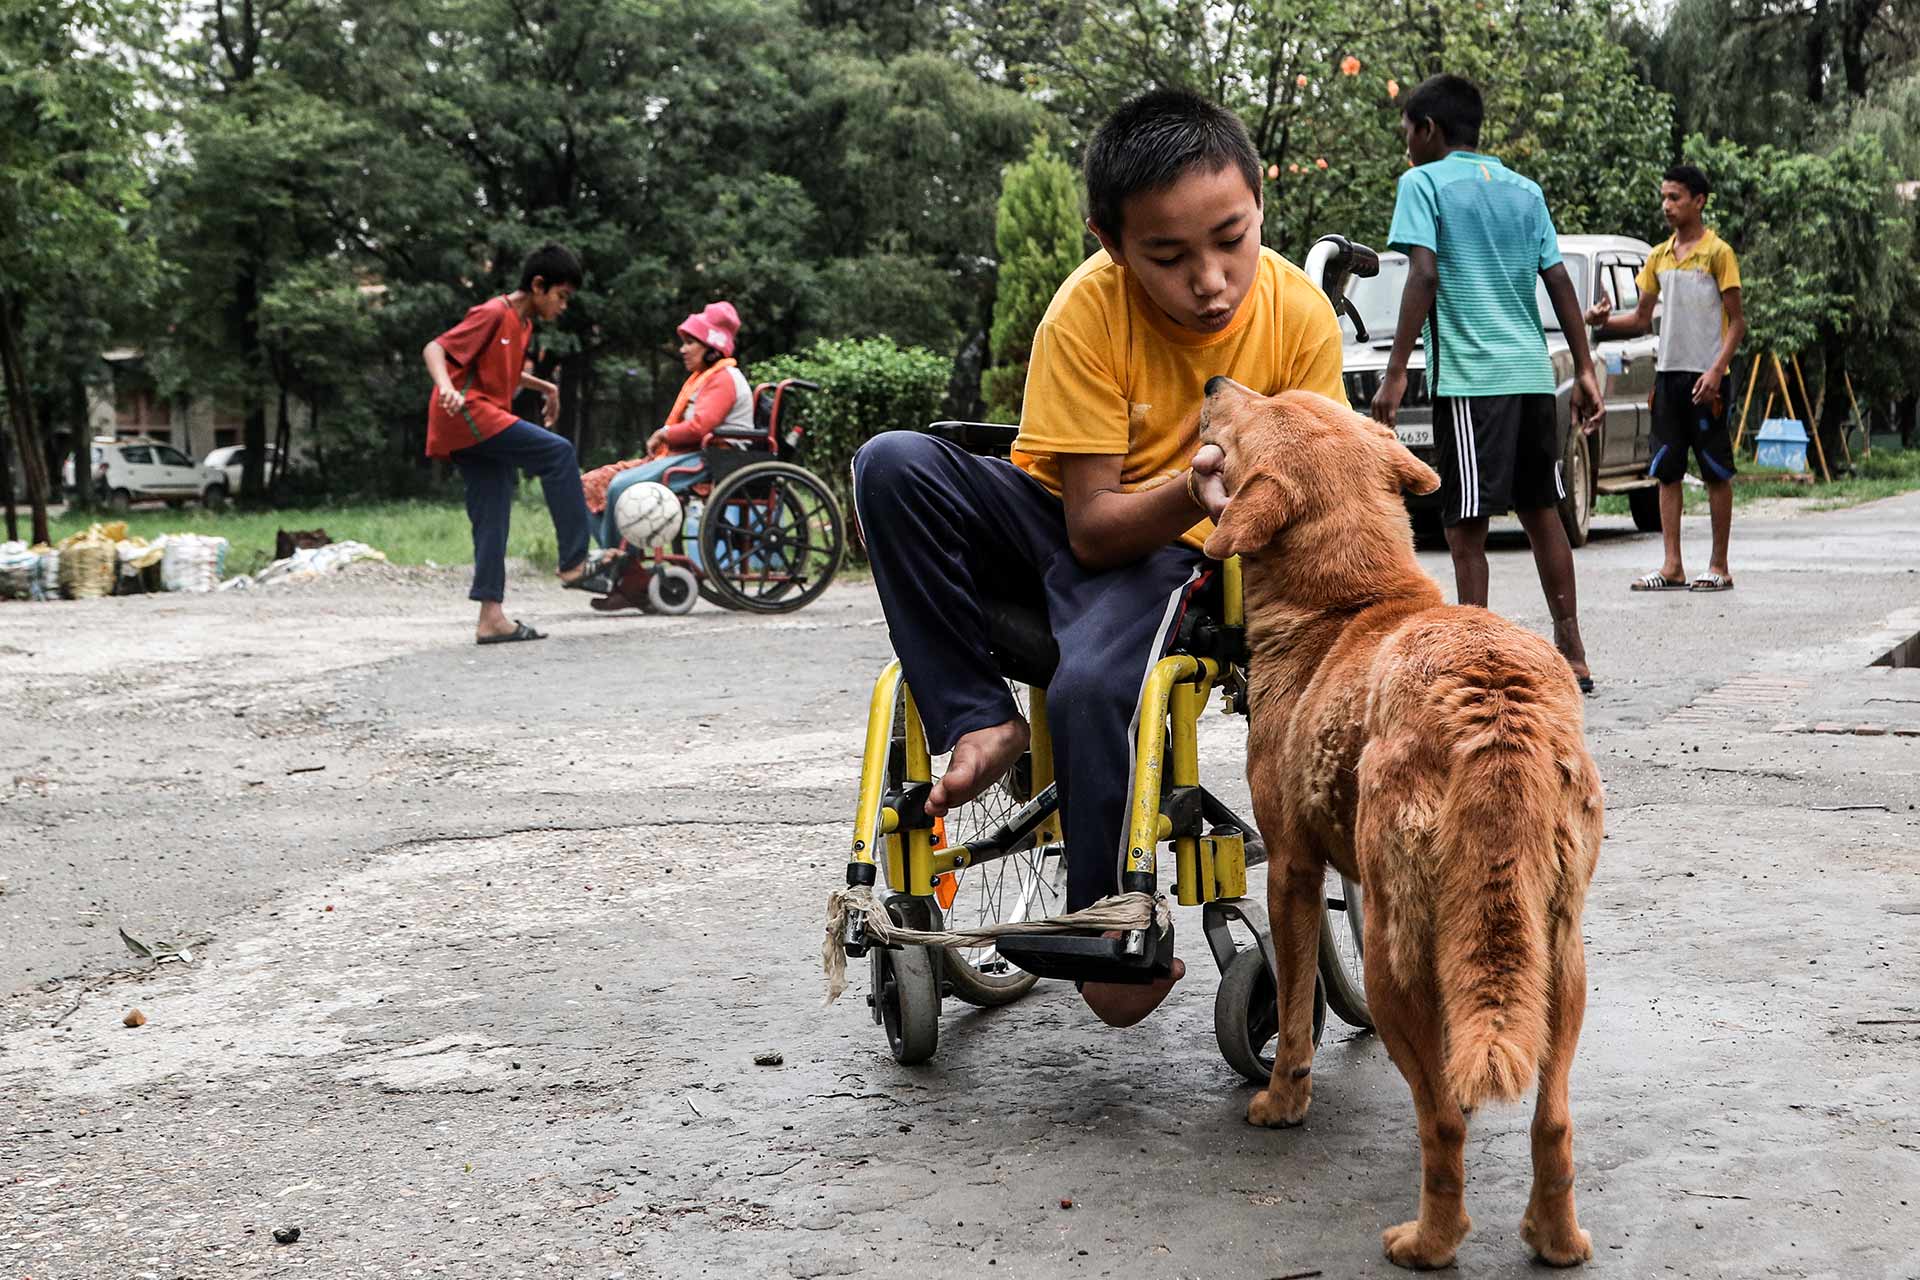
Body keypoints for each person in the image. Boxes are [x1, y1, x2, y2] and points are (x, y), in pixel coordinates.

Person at [852, 89, 1343, 1028]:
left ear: (1259, 205)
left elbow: (1312, 493)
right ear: (1112, 245)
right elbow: (1087, 527)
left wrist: (1214, 506)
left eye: (1230, 239)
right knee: (891, 464)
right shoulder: (1086, 310)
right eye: (1169, 256)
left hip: (1187, 559)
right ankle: (979, 720)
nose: (1210, 279)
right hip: (1083, 525)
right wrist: (1187, 484)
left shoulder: (1298, 317)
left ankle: (1103, 926)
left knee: (1087, 689)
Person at [1368, 74, 1604, 692]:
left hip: (1473, 379)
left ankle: (1473, 655)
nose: (1406, 150)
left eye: (1407, 135)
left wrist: (1396, 374)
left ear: (1428, 130)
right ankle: (1572, 649)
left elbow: (1423, 274)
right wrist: (1581, 368)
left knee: (1464, 526)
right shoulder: (1525, 191)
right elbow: (1558, 282)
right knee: (1541, 512)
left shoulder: (1422, 182)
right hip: (1530, 375)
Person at [422, 243, 610, 644]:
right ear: (538, 285)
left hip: (477, 423)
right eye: (561, 296)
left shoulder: (522, 326)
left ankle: (491, 618)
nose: (563, 306)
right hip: (467, 413)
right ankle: (574, 562)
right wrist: (445, 389)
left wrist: (545, 386)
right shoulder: (494, 313)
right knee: (558, 454)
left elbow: (502, 370)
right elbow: (436, 348)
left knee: (493, 511)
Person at [1585, 165, 1746, 593]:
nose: (1667, 205)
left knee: (1715, 471)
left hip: (1707, 379)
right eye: (1664, 197)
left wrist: (1716, 370)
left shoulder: (1718, 254)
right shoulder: (1658, 256)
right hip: (1668, 376)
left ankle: (1719, 565)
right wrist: (1601, 321)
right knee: (1667, 471)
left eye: (1675, 197)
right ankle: (1672, 564)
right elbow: (1640, 318)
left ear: (1699, 200)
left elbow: (1738, 324)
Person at [582, 302, 751, 611]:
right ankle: (629, 574)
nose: (682, 349)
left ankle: (621, 571)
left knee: (621, 487)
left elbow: (702, 427)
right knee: (590, 484)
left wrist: (664, 433)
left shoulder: (724, 378)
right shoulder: (705, 376)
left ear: (711, 346)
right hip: (686, 455)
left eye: (690, 342)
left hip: (710, 458)